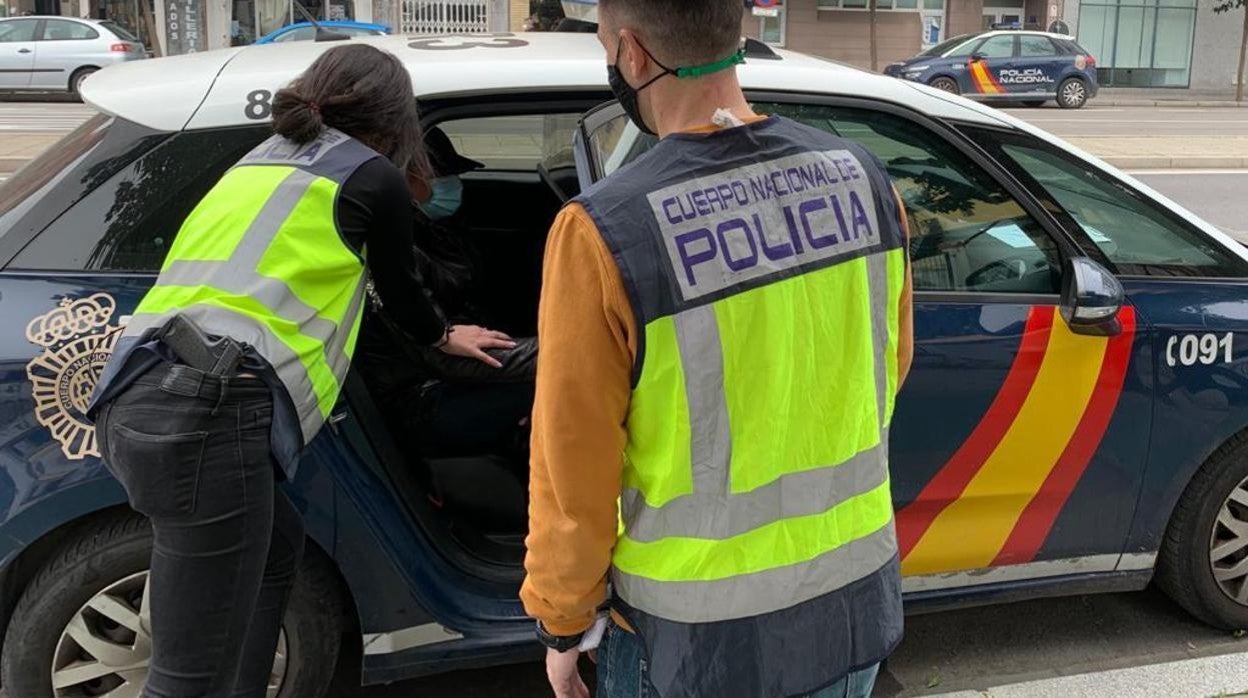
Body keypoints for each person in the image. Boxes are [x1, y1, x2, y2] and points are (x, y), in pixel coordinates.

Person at [85, 44, 511, 698]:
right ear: (397, 119)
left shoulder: (255, 163)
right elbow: (405, 299)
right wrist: (446, 337)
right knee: (183, 677)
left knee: (275, 557)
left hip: (138, 390)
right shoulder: (372, 179)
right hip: (210, 415)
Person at [520, 1, 916, 697]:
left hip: (695, 644)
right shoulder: (866, 179)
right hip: (852, 606)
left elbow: (571, 464)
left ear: (633, 55)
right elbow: (890, 365)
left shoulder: (601, 232)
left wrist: (562, 621)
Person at [359, 125, 537, 460]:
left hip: (454, 376)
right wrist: (566, 354)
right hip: (422, 397)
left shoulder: (437, 226)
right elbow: (443, 355)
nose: (450, 184)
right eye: (439, 175)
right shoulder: (391, 252)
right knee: (568, 384)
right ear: (403, 178)